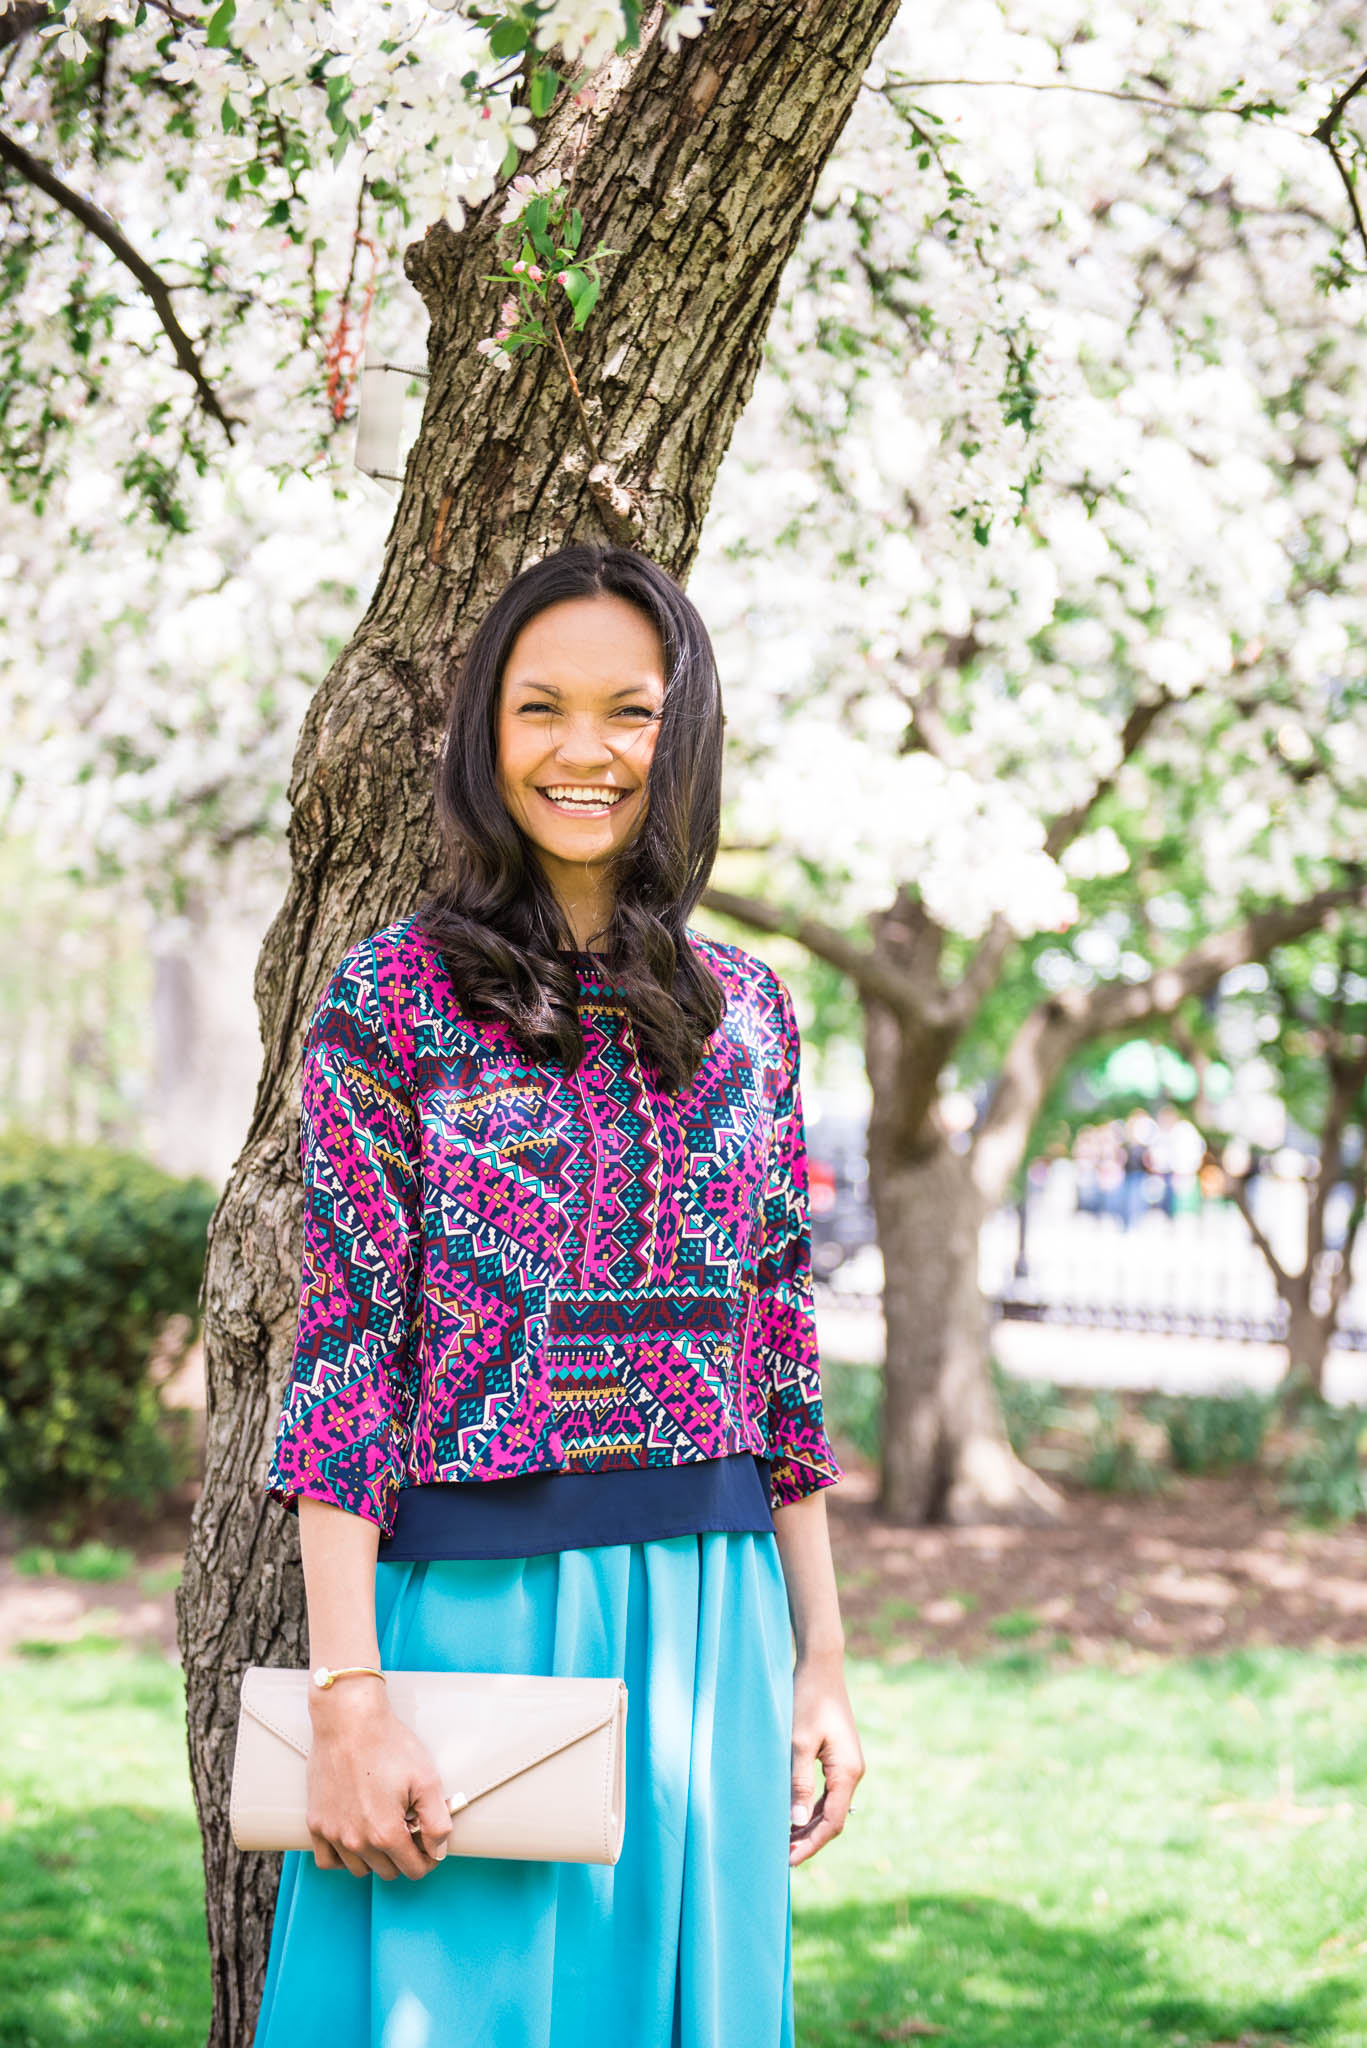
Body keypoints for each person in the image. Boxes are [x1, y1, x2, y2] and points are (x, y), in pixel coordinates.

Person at [252, 543, 866, 2048]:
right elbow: (346, 1360)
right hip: (475, 1612)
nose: (583, 750)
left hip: (714, 1623)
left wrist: (824, 1662)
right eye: (541, 708)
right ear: (487, 731)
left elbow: (780, 1357)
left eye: (629, 711)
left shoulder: (752, 1014)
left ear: (684, 733)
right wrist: (348, 1696)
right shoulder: (388, 1001)